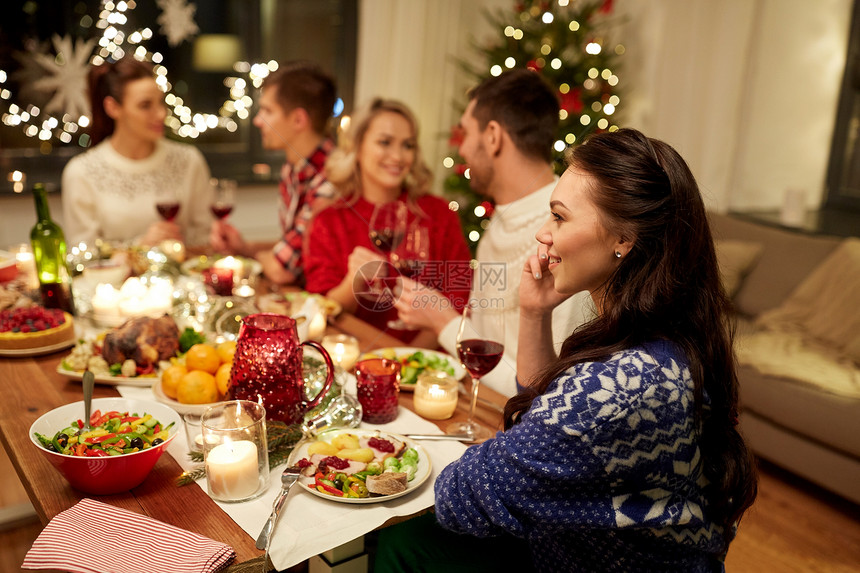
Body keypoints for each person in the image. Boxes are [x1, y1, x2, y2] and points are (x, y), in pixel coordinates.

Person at [376, 129, 759, 572]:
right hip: (583, 547)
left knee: (405, 543)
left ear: (624, 239)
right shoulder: (662, 336)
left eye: (559, 217)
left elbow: (463, 498)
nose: (544, 234)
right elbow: (540, 411)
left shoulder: (623, 385)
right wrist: (534, 312)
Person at [394, 69, 591, 397]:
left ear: (493, 136)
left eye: (466, 133)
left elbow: (544, 391)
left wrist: (443, 322)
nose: (463, 149)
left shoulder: (566, 231)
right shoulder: (498, 225)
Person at [304, 98, 471, 342]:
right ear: (357, 147)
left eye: (408, 145)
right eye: (385, 142)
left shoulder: (438, 214)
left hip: (424, 361)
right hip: (356, 356)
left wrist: (408, 358)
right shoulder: (328, 220)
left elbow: (458, 300)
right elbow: (322, 313)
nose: (398, 156)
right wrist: (353, 283)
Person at [210, 61, 338, 286]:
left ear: (298, 120)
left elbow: (283, 270)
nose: (258, 120)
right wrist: (244, 248)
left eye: (268, 111)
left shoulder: (332, 179)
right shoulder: (293, 169)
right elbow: (291, 248)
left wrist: (248, 257)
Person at [62, 57, 212, 247]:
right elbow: (82, 255)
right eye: (145, 105)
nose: (160, 114)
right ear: (113, 107)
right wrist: (139, 248)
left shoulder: (189, 160)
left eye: (161, 102)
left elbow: (206, 241)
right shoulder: (81, 172)